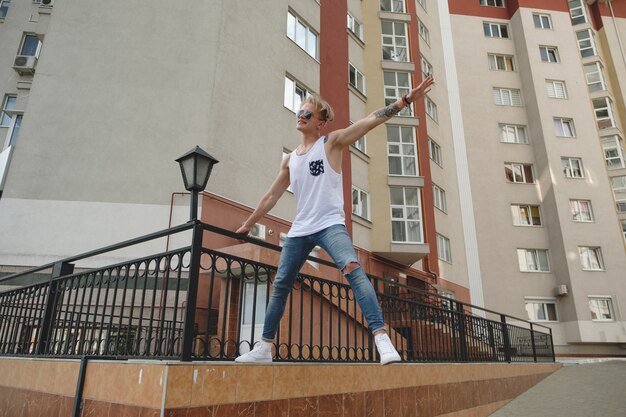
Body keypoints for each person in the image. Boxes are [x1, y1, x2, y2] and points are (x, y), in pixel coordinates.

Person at [234, 76, 435, 365]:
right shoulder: (290, 159)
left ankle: (382, 340)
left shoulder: (331, 143)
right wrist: (248, 222)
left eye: (307, 113)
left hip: (330, 225)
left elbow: (369, 121)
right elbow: (271, 195)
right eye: (299, 112)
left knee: (353, 269)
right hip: (301, 229)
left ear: (320, 122)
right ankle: (264, 348)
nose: (300, 116)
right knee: (280, 284)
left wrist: (405, 100)